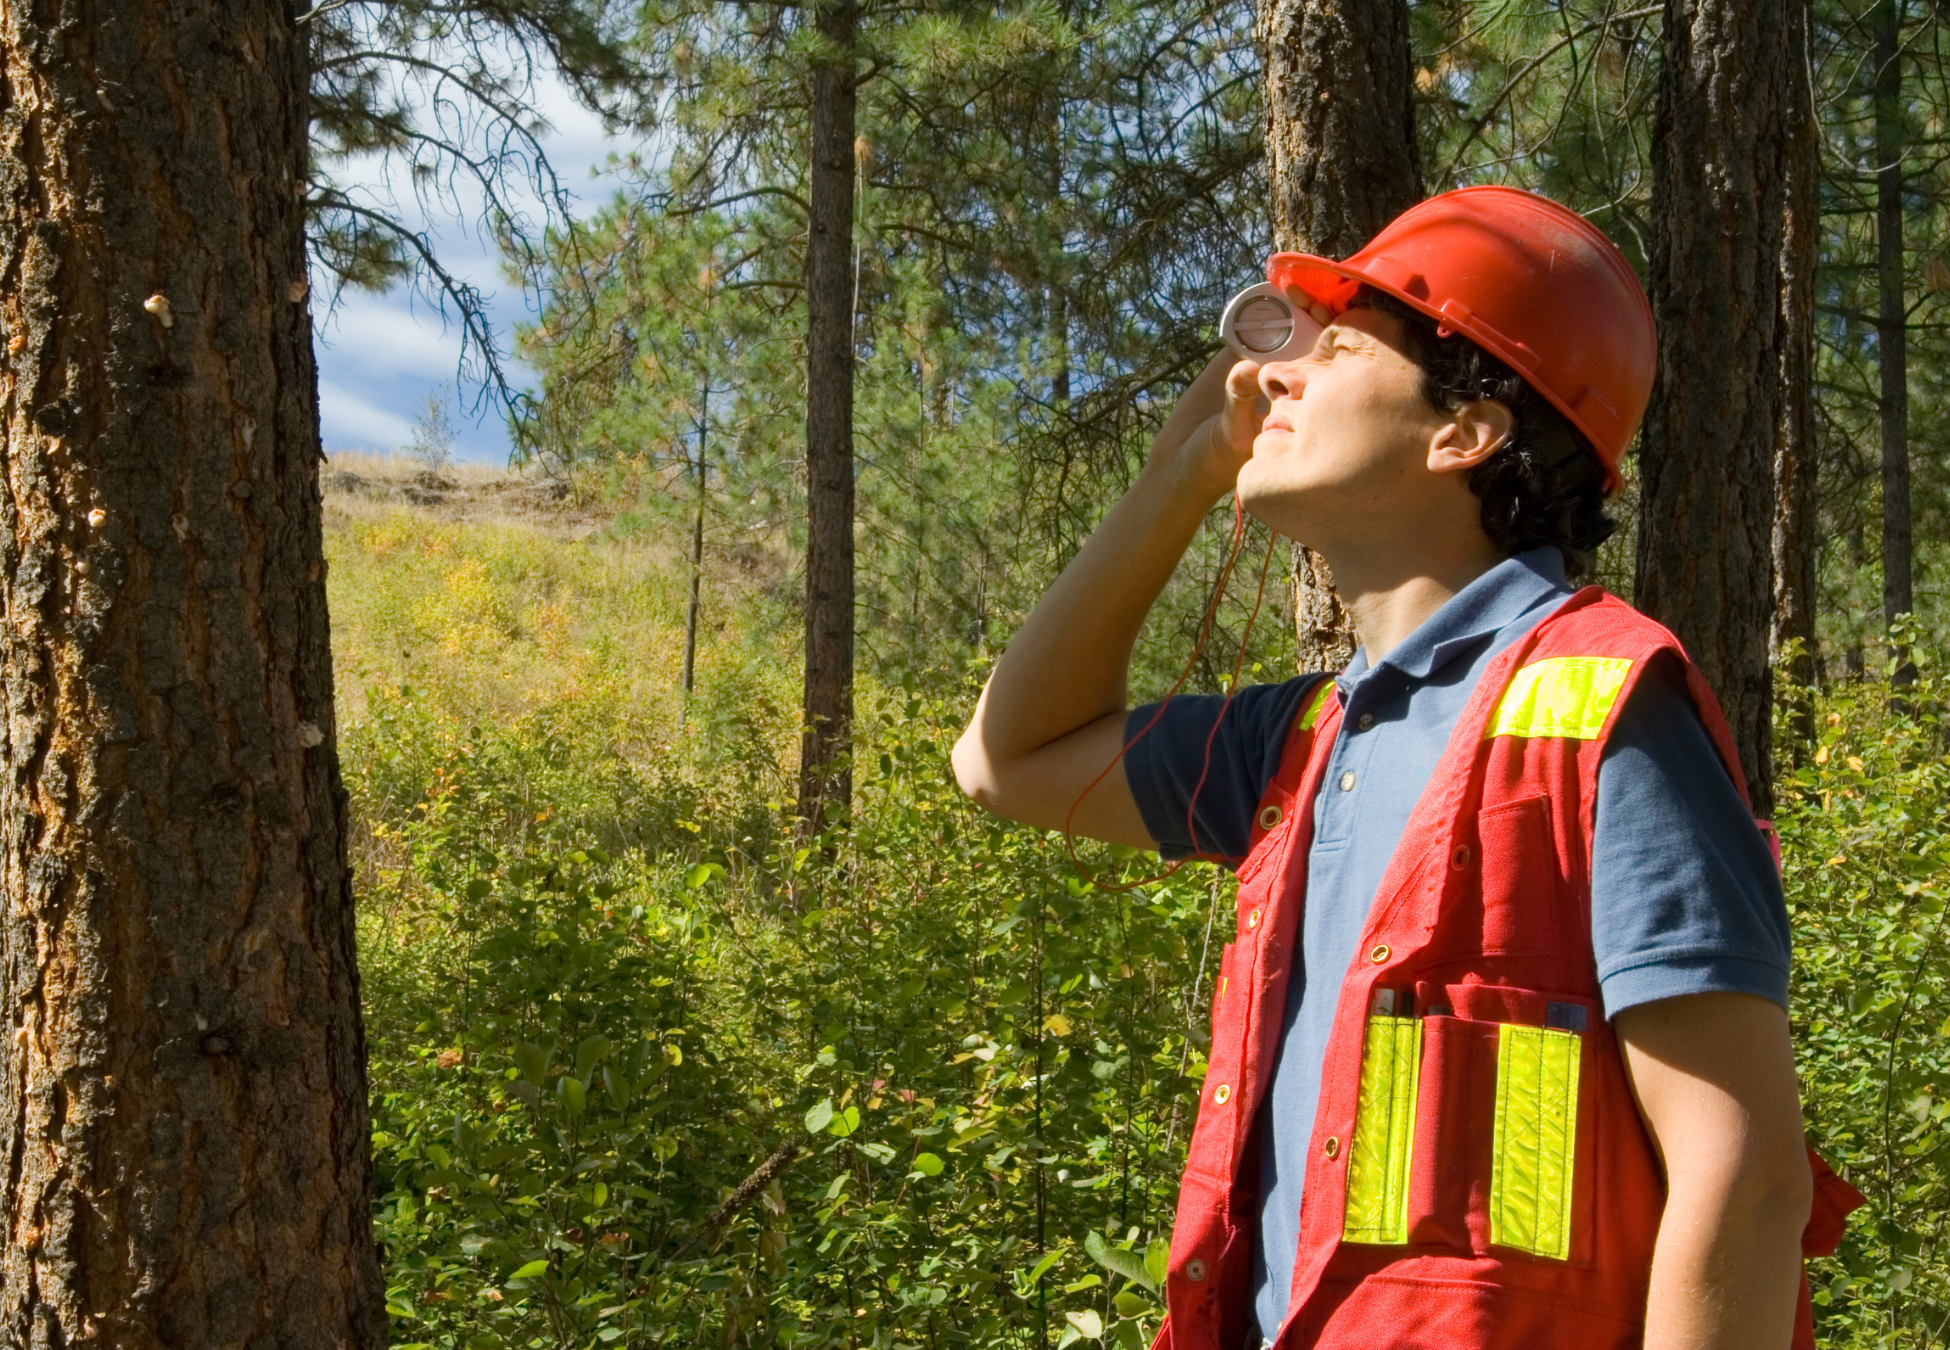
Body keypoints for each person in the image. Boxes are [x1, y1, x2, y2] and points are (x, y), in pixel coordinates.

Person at [951, 187, 1860, 1350]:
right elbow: (1004, 761)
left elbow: (1747, 1181)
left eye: (1329, 352)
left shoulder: (1600, 704)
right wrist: (1180, 476)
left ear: (1464, 433)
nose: (1274, 376)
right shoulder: (1311, 738)